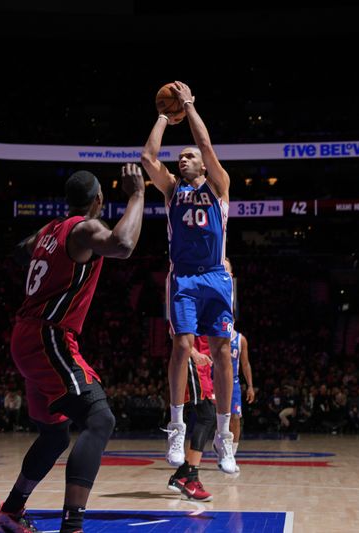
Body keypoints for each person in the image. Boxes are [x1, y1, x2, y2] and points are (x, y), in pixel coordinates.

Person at [0, 164, 144, 533]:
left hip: (26, 335)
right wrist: (137, 194)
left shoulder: (48, 231)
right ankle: (72, 527)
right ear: (98, 200)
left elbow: (18, 252)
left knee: (55, 435)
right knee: (100, 419)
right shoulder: (85, 228)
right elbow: (122, 245)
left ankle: (10, 512)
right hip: (49, 336)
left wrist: (47, 256)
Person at [141, 80, 237, 474]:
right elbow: (148, 157)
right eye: (179, 156)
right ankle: (176, 426)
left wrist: (191, 107)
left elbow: (208, 147)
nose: (182, 160)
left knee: (221, 352)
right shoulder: (171, 190)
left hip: (216, 276)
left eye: (187, 156)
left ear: (202, 164)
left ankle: (224, 435)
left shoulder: (220, 187)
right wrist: (164, 116)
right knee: (181, 346)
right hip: (183, 277)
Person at [167, 336, 216, 502]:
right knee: (207, 416)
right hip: (192, 362)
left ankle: (181, 475)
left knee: (208, 417)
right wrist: (193, 352)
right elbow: (176, 331)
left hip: (205, 365)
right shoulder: (189, 309)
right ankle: (191, 480)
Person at [223, 258, 254, 466]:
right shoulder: (214, 337)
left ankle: (231, 453)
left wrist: (250, 386)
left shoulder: (240, 339)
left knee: (235, 418)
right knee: (218, 420)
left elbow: (246, 364)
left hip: (233, 382)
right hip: (217, 380)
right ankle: (222, 447)